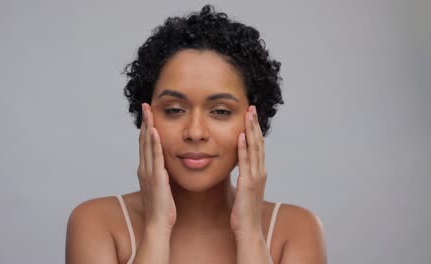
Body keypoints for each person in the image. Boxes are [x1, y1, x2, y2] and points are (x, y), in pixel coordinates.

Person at [65, 5, 326, 264]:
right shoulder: (97, 224)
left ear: (255, 120)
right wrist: (157, 228)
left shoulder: (296, 231)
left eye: (221, 111)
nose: (195, 132)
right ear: (147, 115)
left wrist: (249, 233)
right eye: (175, 110)